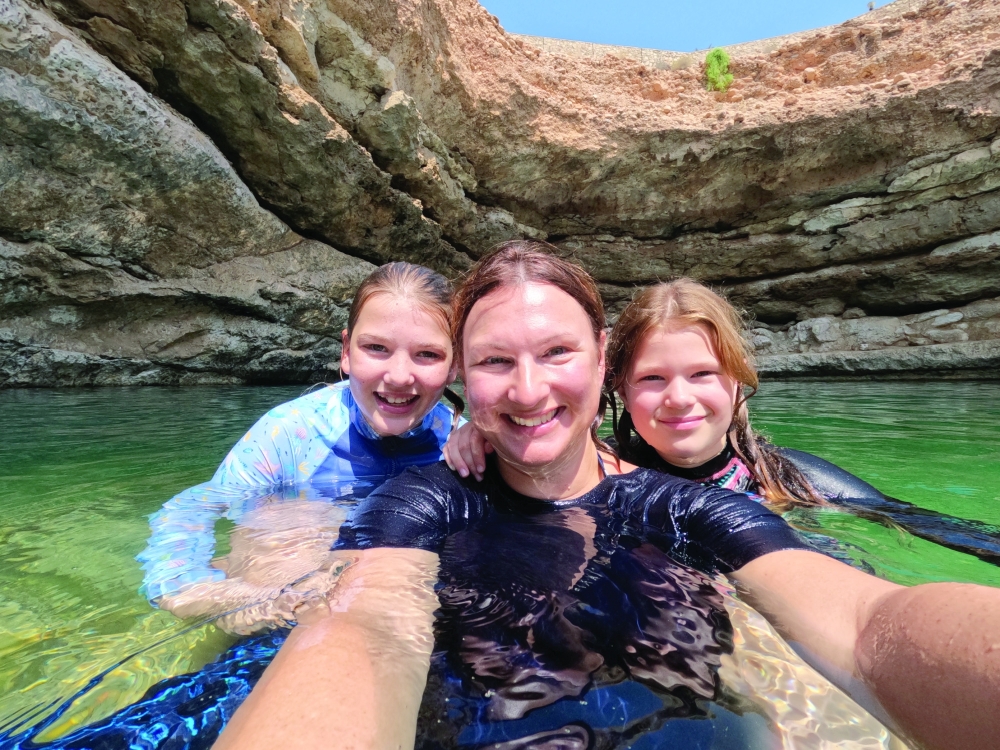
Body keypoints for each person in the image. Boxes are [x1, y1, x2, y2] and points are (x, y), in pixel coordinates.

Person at [214, 242, 1000, 750]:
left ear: (599, 362)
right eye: (494, 363)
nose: (528, 390)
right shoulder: (421, 504)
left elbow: (867, 622)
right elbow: (363, 630)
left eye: (557, 353)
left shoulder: (689, 505)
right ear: (461, 379)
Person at [446, 278, 1000, 566]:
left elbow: (936, 528)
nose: (679, 399)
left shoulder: (790, 480)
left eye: (703, 374)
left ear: (737, 380)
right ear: (618, 389)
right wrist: (482, 431)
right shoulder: (599, 474)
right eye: (652, 379)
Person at [138, 261, 463, 630]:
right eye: (376, 348)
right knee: (296, 519)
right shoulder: (291, 433)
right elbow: (195, 506)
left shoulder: (464, 441)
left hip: (405, 601)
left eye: (428, 355)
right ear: (346, 350)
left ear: (454, 366)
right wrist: (186, 585)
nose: (399, 376)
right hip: (287, 601)